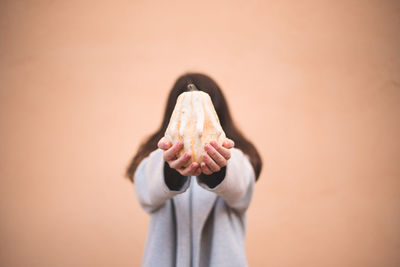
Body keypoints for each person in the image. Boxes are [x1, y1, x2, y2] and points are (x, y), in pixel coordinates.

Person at [125, 73, 262, 267]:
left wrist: (219, 167)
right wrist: (169, 165)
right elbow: (146, 189)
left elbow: (241, 186)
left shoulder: (239, 157)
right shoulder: (154, 158)